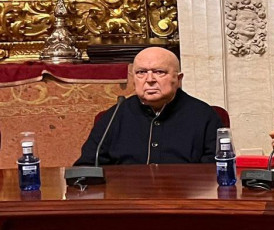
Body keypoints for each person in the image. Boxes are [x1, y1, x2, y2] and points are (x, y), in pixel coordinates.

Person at [75, 47, 221, 165]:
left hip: (184, 199)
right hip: (127, 198)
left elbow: (216, 171)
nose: (149, 79)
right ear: (133, 80)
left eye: (159, 72)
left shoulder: (204, 116)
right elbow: (88, 166)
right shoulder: (114, 116)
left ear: (178, 79)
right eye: (141, 72)